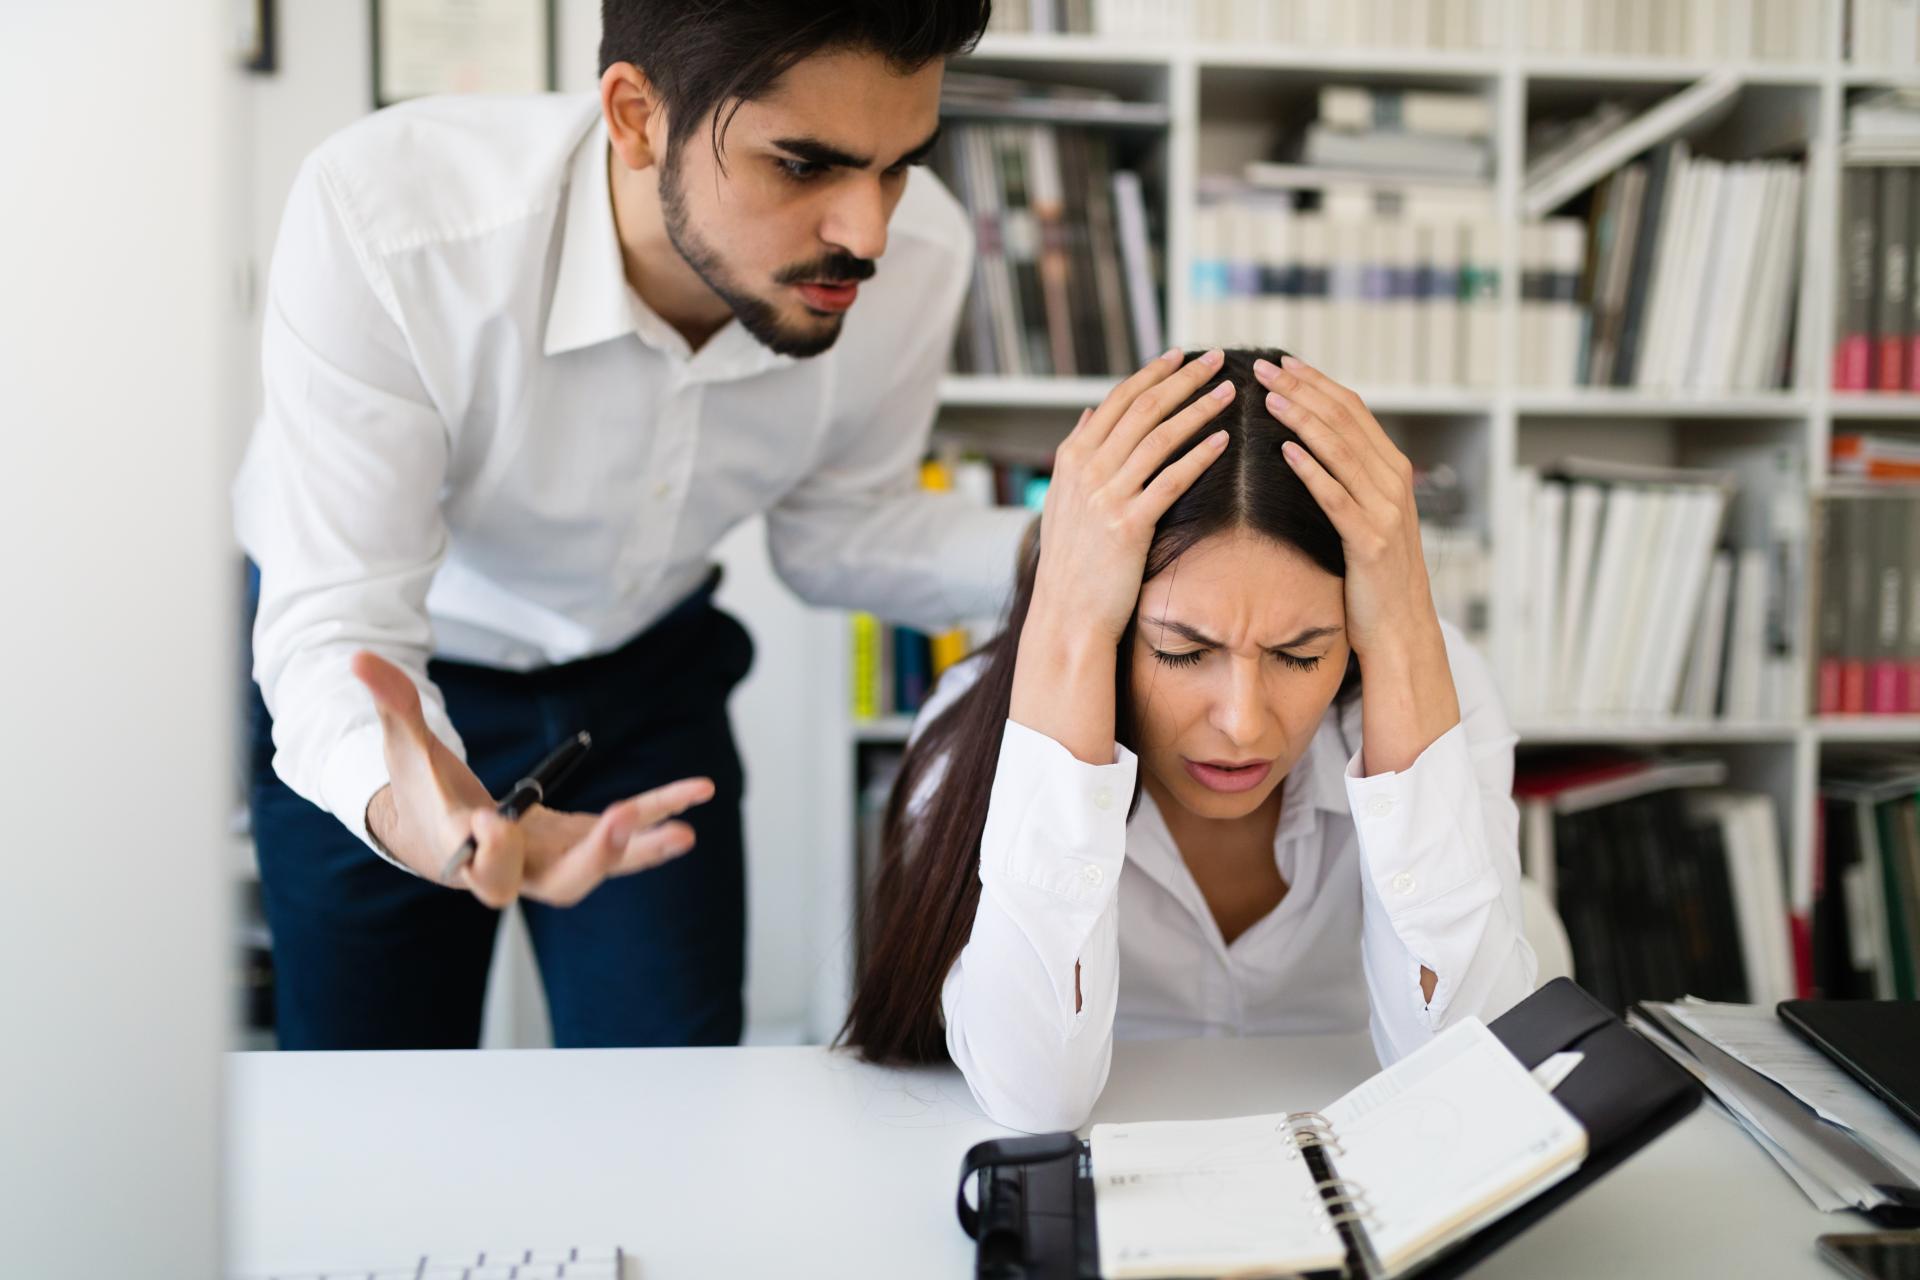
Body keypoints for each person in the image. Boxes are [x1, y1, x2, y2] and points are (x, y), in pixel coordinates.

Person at [235, 0, 1030, 1051]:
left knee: (672, 1105)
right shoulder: (389, 221)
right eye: (803, 165)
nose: (868, 232)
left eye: (898, 165)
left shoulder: (919, 254)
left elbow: (839, 529)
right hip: (386, 689)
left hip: (647, 682)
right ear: (637, 116)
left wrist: (1076, 549)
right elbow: (340, 617)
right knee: (367, 1106)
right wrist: (406, 799)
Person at [841, 348, 1536, 1132]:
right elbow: (1034, 1096)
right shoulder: (969, 724)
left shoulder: (1428, 684)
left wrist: (1406, 627)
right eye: (1181, 651)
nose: (1243, 723)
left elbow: (1471, 1075)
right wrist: (1064, 623)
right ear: (1107, 625)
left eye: (1301, 654)